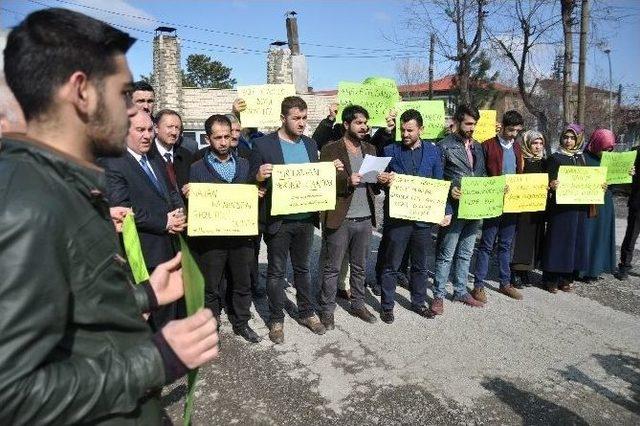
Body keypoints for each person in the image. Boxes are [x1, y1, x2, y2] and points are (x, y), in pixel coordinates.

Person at [0, 8, 218, 424]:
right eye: (124, 96)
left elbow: (71, 315)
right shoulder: (26, 204)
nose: (137, 114)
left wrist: (144, 296)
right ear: (81, 92)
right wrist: (158, 359)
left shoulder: (60, 185)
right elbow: (10, 394)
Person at [251, 96, 344, 344]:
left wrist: (329, 168)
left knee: (303, 269)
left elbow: (314, 178)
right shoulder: (263, 145)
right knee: (276, 272)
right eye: (296, 118)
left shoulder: (310, 144)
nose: (302, 123)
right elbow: (250, 181)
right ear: (283, 118)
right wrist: (258, 177)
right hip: (278, 222)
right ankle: (276, 319)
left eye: (304, 118)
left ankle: (306, 312)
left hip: (305, 220)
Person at [101, 109, 187, 329]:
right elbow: (123, 209)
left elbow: (169, 191)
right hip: (142, 253)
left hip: (167, 248)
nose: (147, 135)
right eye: (140, 130)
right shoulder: (113, 163)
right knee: (151, 318)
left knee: (170, 314)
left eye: (149, 129)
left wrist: (178, 213)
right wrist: (164, 222)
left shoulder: (154, 157)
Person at [189, 114, 261, 343]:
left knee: (242, 283)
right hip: (212, 240)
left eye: (227, 137)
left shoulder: (244, 164)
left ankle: (241, 322)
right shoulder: (197, 169)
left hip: (241, 238)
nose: (223, 142)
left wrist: (256, 192)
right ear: (208, 139)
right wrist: (190, 195)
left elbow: (248, 195)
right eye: (217, 137)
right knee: (211, 287)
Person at [378, 109, 450, 323]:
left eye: (410, 130)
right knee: (391, 264)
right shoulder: (390, 150)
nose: (406, 134)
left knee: (420, 265)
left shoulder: (433, 152)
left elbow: (439, 183)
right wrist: (383, 179)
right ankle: (387, 306)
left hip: (422, 221)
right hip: (398, 220)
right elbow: (377, 179)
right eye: (402, 130)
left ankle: (418, 303)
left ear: (421, 129)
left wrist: (446, 210)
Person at [318, 105, 381, 328]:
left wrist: (381, 180)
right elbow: (321, 183)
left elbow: (373, 185)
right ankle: (327, 310)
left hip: (364, 218)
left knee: (360, 266)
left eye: (365, 122)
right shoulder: (330, 150)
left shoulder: (371, 149)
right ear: (346, 125)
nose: (364, 127)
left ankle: (358, 304)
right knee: (332, 267)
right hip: (340, 218)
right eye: (358, 123)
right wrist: (346, 181)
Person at [431, 104, 486, 315]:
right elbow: (437, 178)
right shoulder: (443, 146)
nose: (472, 128)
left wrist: (496, 188)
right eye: (469, 124)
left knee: (466, 252)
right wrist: (448, 194)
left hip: (474, 208)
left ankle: (461, 290)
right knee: (446, 253)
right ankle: (438, 295)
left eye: (475, 124)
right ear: (457, 121)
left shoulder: (478, 147)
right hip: (453, 209)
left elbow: (481, 175)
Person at [471, 110, 525, 302]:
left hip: (511, 205)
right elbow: (480, 173)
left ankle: (505, 283)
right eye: (511, 130)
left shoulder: (517, 148)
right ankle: (478, 285)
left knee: (505, 245)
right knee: (486, 245)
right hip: (492, 203)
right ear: (502, 126)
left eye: (517, 131)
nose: (514, 134)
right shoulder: (487, 145)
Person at [542, 124, 590, 292]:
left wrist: (600, 186)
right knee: (558, 241)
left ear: (578, 140)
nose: (568, 141)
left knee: (574, 243)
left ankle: (566, 277)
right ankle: (550, 278)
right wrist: (551, 184)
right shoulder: (555, 158)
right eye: (566, 137)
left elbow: (588, 181)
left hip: (578, 208)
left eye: (572, 138)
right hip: (560, 209)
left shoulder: (581, 158)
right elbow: (545, 181)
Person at [580, 129, 620, 281]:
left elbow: (616, 184)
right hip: (589, 203)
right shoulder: (583, 159)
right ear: (596, 144)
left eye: (610, 149)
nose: (607, 151)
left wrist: (627, 173)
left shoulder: (612, 160)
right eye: (604, 148)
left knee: (601, 236)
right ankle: (583, 270)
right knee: (588, 235)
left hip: (605, 204)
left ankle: (597, 268)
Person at [510, 130, 548, 286]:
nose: (538, 147)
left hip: (537, 208)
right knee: (521, 240)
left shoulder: (544, 162)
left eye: (540, 143)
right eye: (534, 143)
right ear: (527, 143)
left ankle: (526, 271)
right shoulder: (520, 160)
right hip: (521, 208)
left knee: (534, 240)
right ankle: (515, 271)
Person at [149, 109, 193, 199]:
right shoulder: (146, 155)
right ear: (156, 128)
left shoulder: (186, 156)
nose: (174, 132)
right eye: (169, 127)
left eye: (177, 128)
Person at [618, 144, 640, 280]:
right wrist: (630, 174)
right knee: (631, 236)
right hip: (638, 203)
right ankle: (624, 266)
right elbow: (624, 177)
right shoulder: (635, 152)